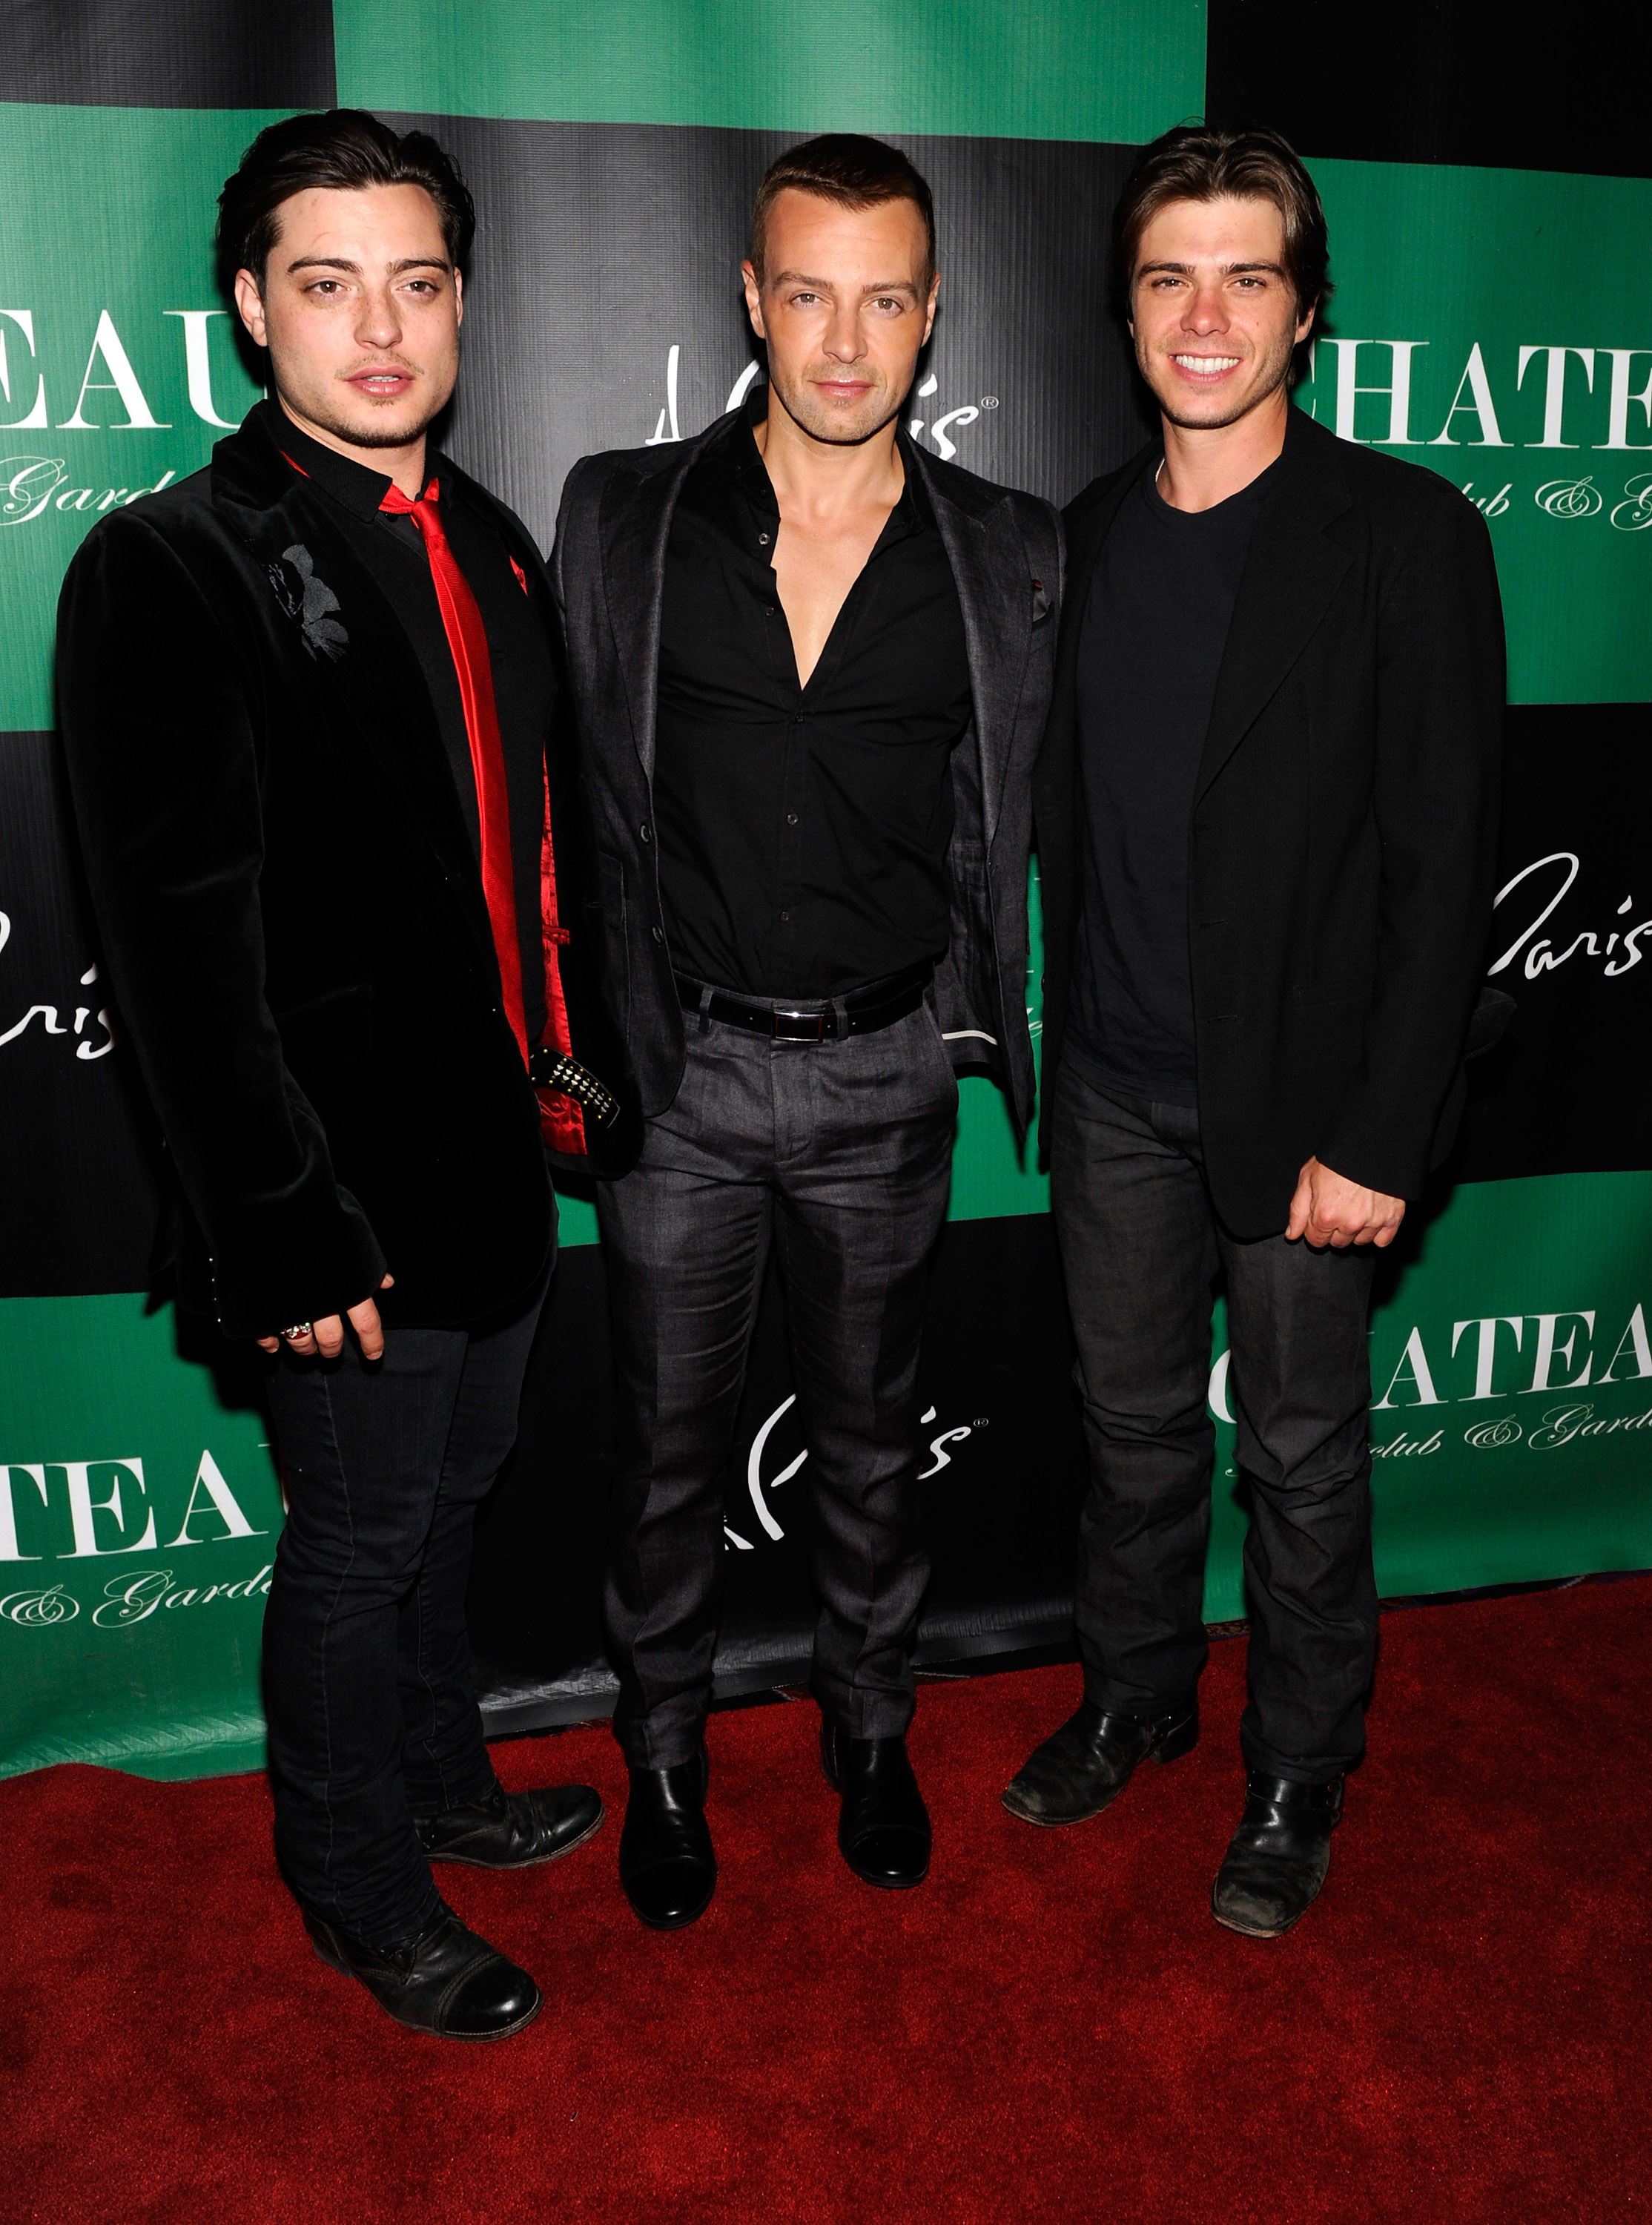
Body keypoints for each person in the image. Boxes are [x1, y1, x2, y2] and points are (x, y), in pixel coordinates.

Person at [57, 109, 635, 2040]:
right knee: (361, 1537)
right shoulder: (172, 564)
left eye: (416, 281)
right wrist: (280, 1229)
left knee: (454, 1503)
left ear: (459, 302)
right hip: (335, 1193)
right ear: (250, 309)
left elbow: (532, 851)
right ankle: (356, 1883)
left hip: (490, 1156)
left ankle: (446, 1783)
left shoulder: (487, 535)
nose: (380, 327)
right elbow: (176, 950)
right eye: (327, 285)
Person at [554, 134, 1059, 1928]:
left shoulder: (1008, 555)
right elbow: (557, 812)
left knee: (870, 1449)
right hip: (676, 1076)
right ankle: (667, 1761)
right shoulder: (621, 513)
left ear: (931, 315)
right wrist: (571, 1050)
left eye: (887, 300)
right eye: (808, 295)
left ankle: (870, 1735)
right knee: (665, 1454)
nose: (846, 344)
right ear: (748, 300)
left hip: (880, 1071)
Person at [1005, 126, 1504, 1937]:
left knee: (1297, 1452)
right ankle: (1137, 1693)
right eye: (1165, 277)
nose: (1202, 315)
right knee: (1130, 1429)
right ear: (1124, 310)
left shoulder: (1403, 535)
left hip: (1308, 1111)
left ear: (1306, 313)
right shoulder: (1074, 542)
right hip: (1116, 1092)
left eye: (1244, 277)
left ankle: (1300, 1768)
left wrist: (1383, 1131)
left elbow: (1445, 863)